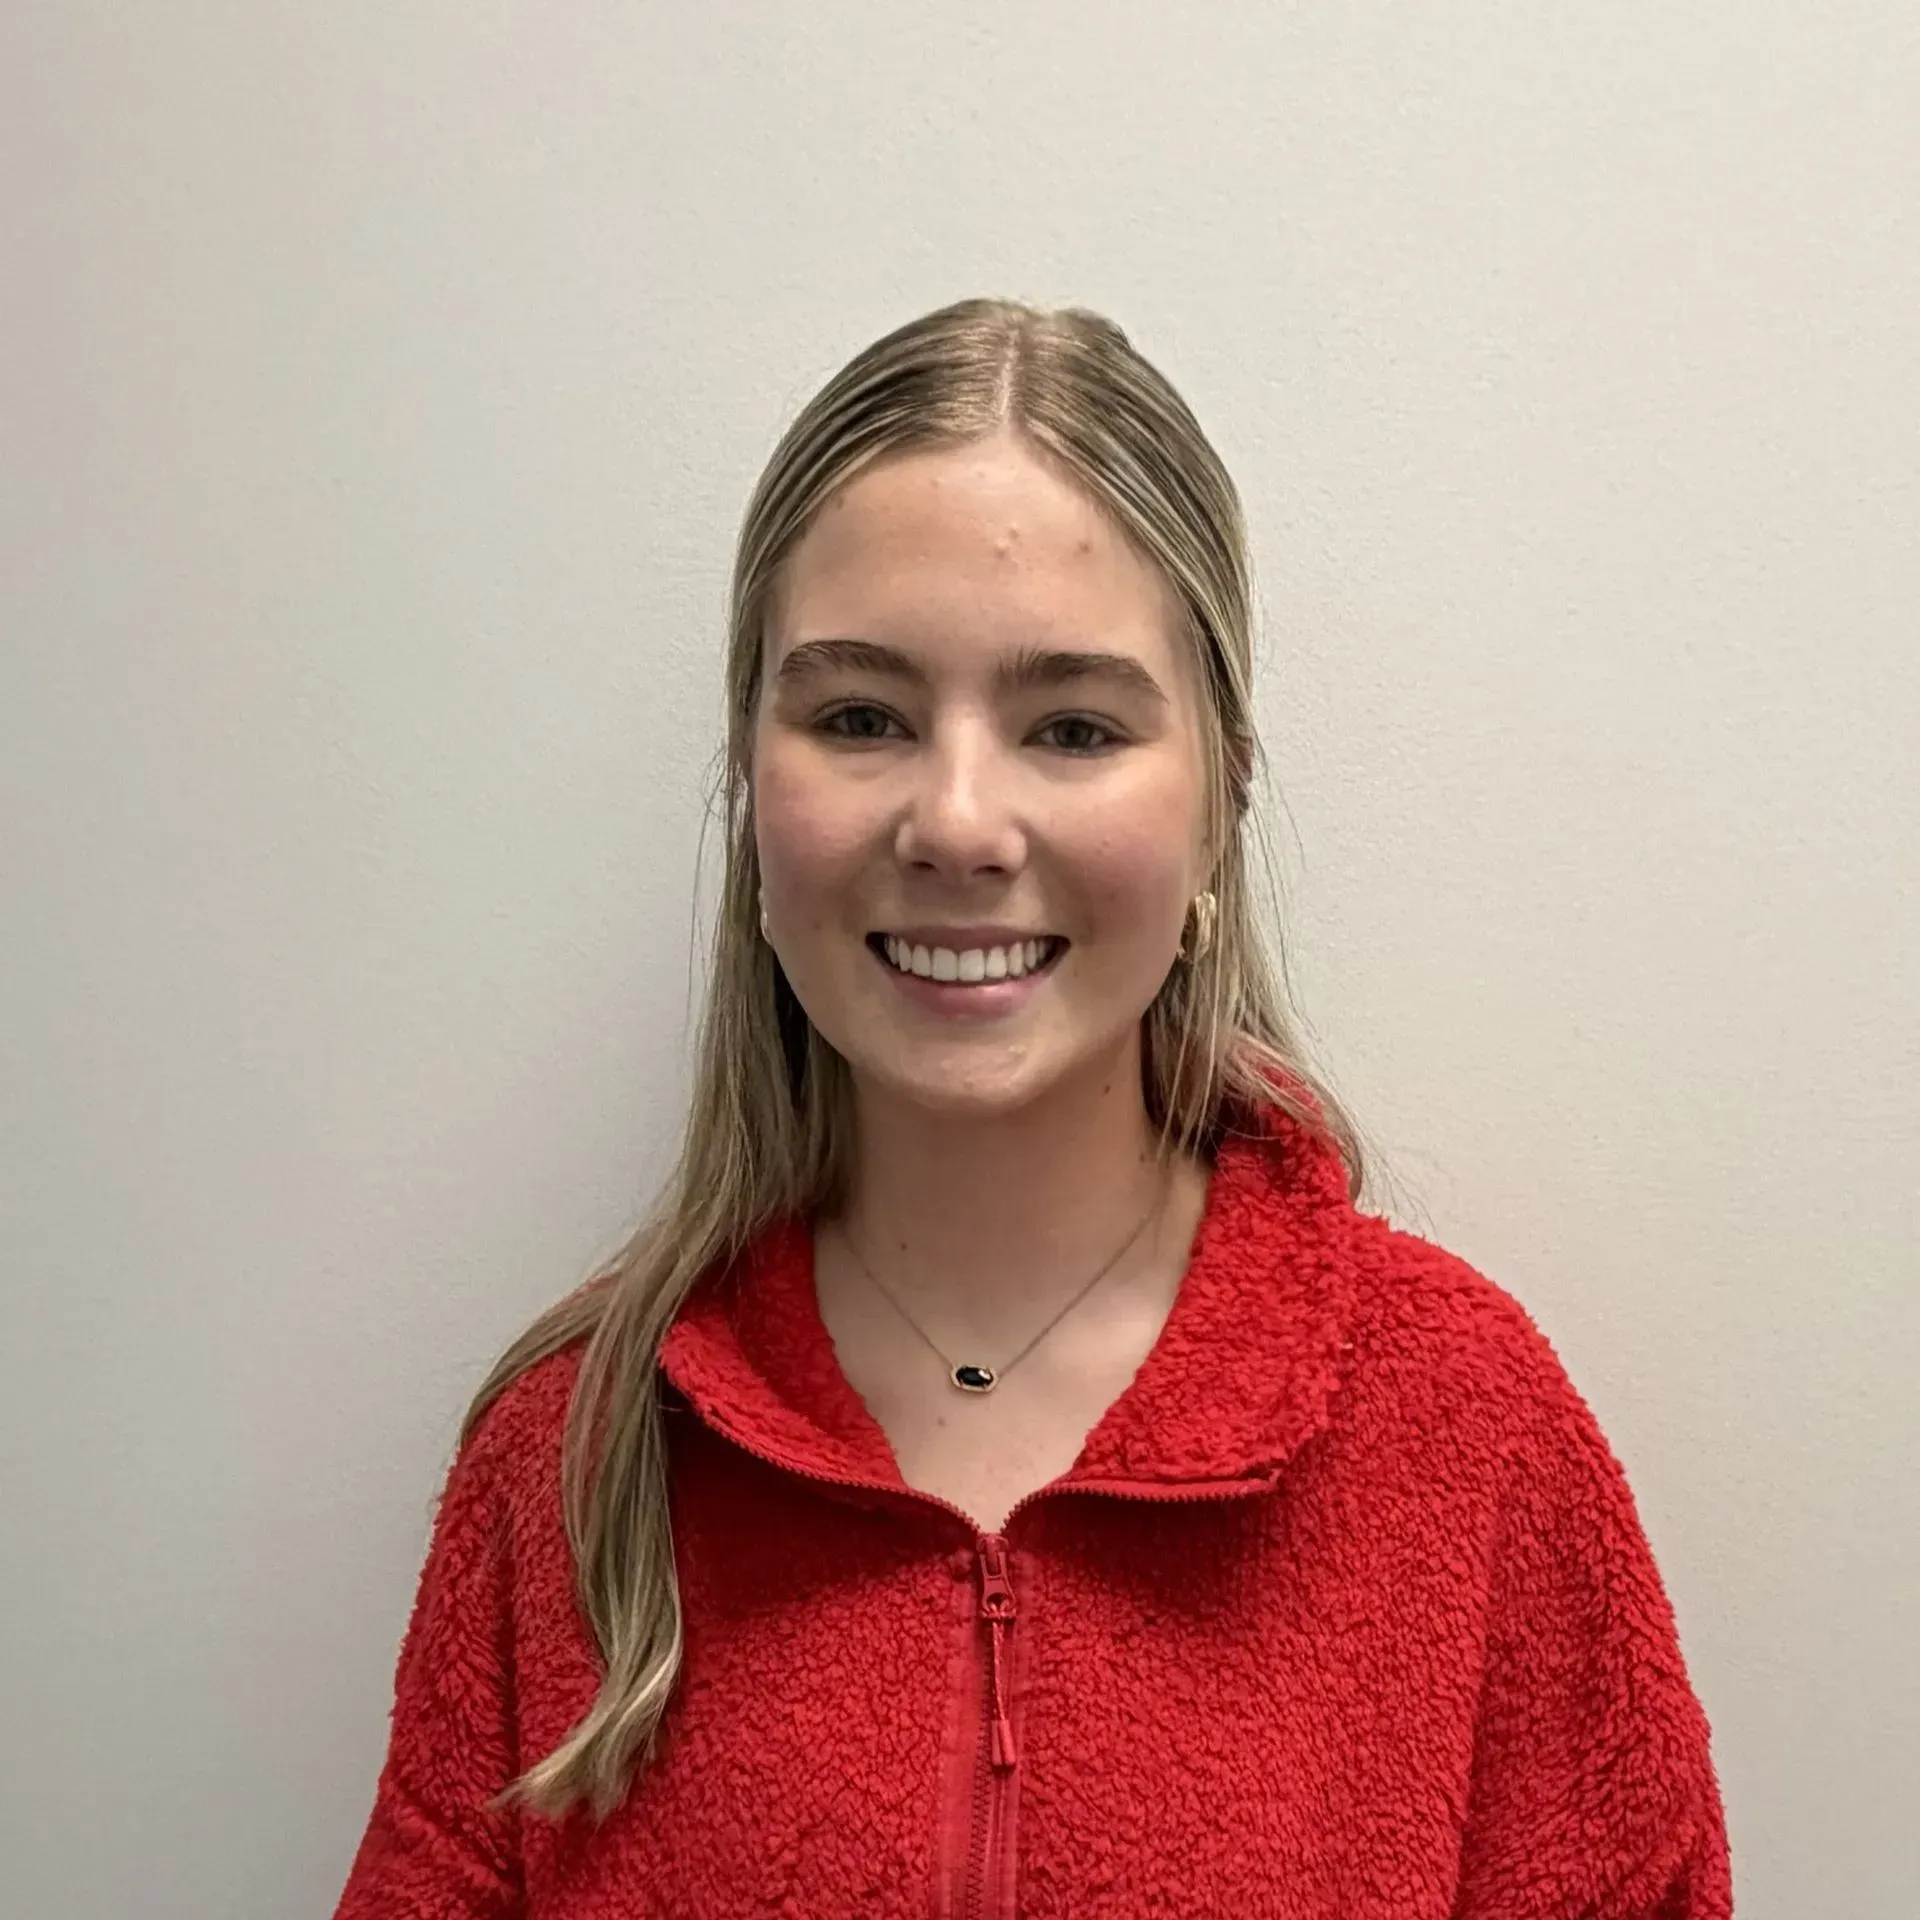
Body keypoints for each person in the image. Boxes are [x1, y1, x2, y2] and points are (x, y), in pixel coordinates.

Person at [333, 297, 1730, 1918]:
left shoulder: (1469, 1433)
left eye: (1073, 725)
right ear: (749, 786)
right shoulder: (572, 1456)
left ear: (1218, 801)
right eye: (860, 716)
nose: (959, 820)